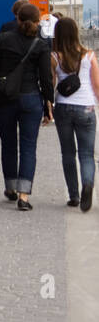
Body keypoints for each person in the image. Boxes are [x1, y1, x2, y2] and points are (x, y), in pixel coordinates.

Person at [0, 2, 54, 210]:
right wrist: (49, 104)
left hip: (5, 99)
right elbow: (46, 79)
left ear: (17, 19)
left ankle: (10, 187)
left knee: (9, 144)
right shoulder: (41, 45)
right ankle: (24, 196)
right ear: (37, 21)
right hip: (31, 98)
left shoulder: (4, 39)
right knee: (28, 147)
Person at [50, 17, 98, 211]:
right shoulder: (89, 55)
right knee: (86, 153)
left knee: (68, 153)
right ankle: (87, 183)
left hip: (63, 107)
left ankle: (74, 195)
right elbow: (96, 84)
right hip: (86, 107)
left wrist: (48, 106)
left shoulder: (54, 57)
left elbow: (51, 84)